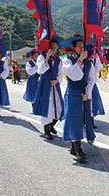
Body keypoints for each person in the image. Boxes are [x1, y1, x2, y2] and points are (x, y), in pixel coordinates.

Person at [61, 34, 97, 164]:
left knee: (83, 119)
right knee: (74, 120)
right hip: (72, 94)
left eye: (83, 46)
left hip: (83, 95)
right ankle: (78, 149)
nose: (82, 48)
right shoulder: (67, 61)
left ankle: (73, 145)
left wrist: (88, 92)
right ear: (73, 47)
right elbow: (74, 75)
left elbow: (91, 79)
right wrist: (80, 60)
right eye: (79, 46)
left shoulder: (89, 63)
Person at [33, 37, 64, 140]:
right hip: (45, 84)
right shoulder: (41, 57)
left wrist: (57, 80)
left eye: (56, 47)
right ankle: (47, 130)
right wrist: (47, 58)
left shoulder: (58, 59)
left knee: (59, 107)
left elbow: (60, 73)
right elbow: (40, 70)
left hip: (55, 85)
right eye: (52, 47)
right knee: (47, 107)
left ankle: (52, 125)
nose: (54, 49)